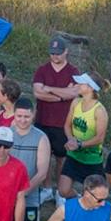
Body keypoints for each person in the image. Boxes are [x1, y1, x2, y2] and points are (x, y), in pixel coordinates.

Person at [6, 98, 52, 221]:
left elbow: (42, 172)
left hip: (29, 197)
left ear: (33, 116)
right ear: (14, 115)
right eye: (19, 116)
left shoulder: (41, 138)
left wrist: (23, 192)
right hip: (6, 196)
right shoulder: (7, 134)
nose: (22, 120)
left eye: (26, 116)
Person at [31, 37, 78, 200]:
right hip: (42, 119)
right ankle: (46, 188)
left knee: (61, 158)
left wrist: (49, 89)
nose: (55, 56)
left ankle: (60, 191)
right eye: (52, 53)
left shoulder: (73, 71)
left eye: (58, 53)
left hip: (63, 122)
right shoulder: (42, 70)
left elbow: (73, 93)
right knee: (44, 157)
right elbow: (37, 92)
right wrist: (61, 95)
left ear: (66, 52)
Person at [58, 73, 107, 202]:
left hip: (92, 160)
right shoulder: (76, 102)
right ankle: (79, 200)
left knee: (95, 197)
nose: (77, 85)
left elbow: (99, 138)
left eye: (81, 83)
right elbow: (67, 125)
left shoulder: (100, 111)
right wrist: (70, 139)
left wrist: (79, 144)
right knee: (63, 190)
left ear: (91, 88)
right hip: (74, 156)